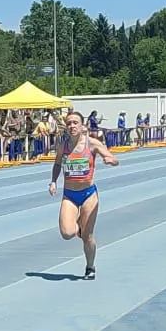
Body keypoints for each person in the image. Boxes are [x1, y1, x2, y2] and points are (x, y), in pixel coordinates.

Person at [51, 109, 118, 279]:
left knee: (87, 236)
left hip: (88, 194)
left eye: (75, 123)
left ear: (82, 126)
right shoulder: (63, 146)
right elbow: (57, 164)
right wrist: (53, 181)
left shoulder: (92, 143)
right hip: (69, 194)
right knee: (67, 233)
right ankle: (79, 227)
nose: (72, 126)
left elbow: (113, 158)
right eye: (69, 123)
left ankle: (90, 267)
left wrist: (110, 160)